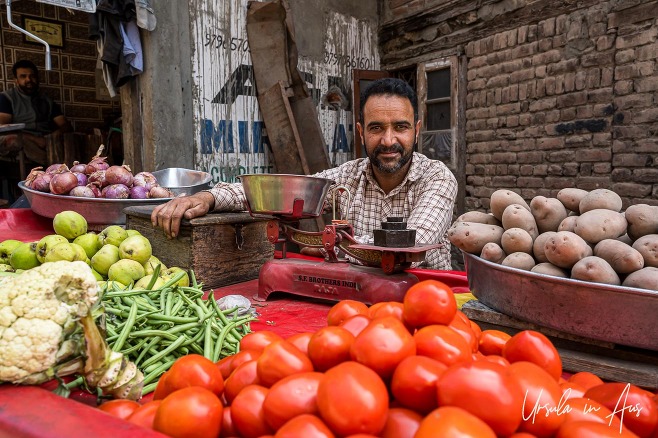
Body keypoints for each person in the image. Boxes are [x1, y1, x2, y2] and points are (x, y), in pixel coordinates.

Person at [152, 78, 458, 269]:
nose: (389, 140)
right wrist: (209, 196)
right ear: (362, 133)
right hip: (356, 300)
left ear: (416, 131)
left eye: (400, 127)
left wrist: (330, 242)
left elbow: (412, 244)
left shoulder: (437, 178)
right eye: (377, 128)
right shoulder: (347, 177)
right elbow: (283, 192)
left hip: (426, 301)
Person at [0, 60, 73, 167]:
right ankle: (49, 166)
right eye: (23, 76)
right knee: (16, 139)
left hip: (45, 139)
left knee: (71, 138)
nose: (28, 80)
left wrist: (53, 136)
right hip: (22, 138)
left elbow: (65, 125)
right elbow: (3, 127)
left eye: (32, 76)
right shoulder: (6, 98)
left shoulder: (46, 101)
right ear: (16, 80)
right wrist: (35, 139)